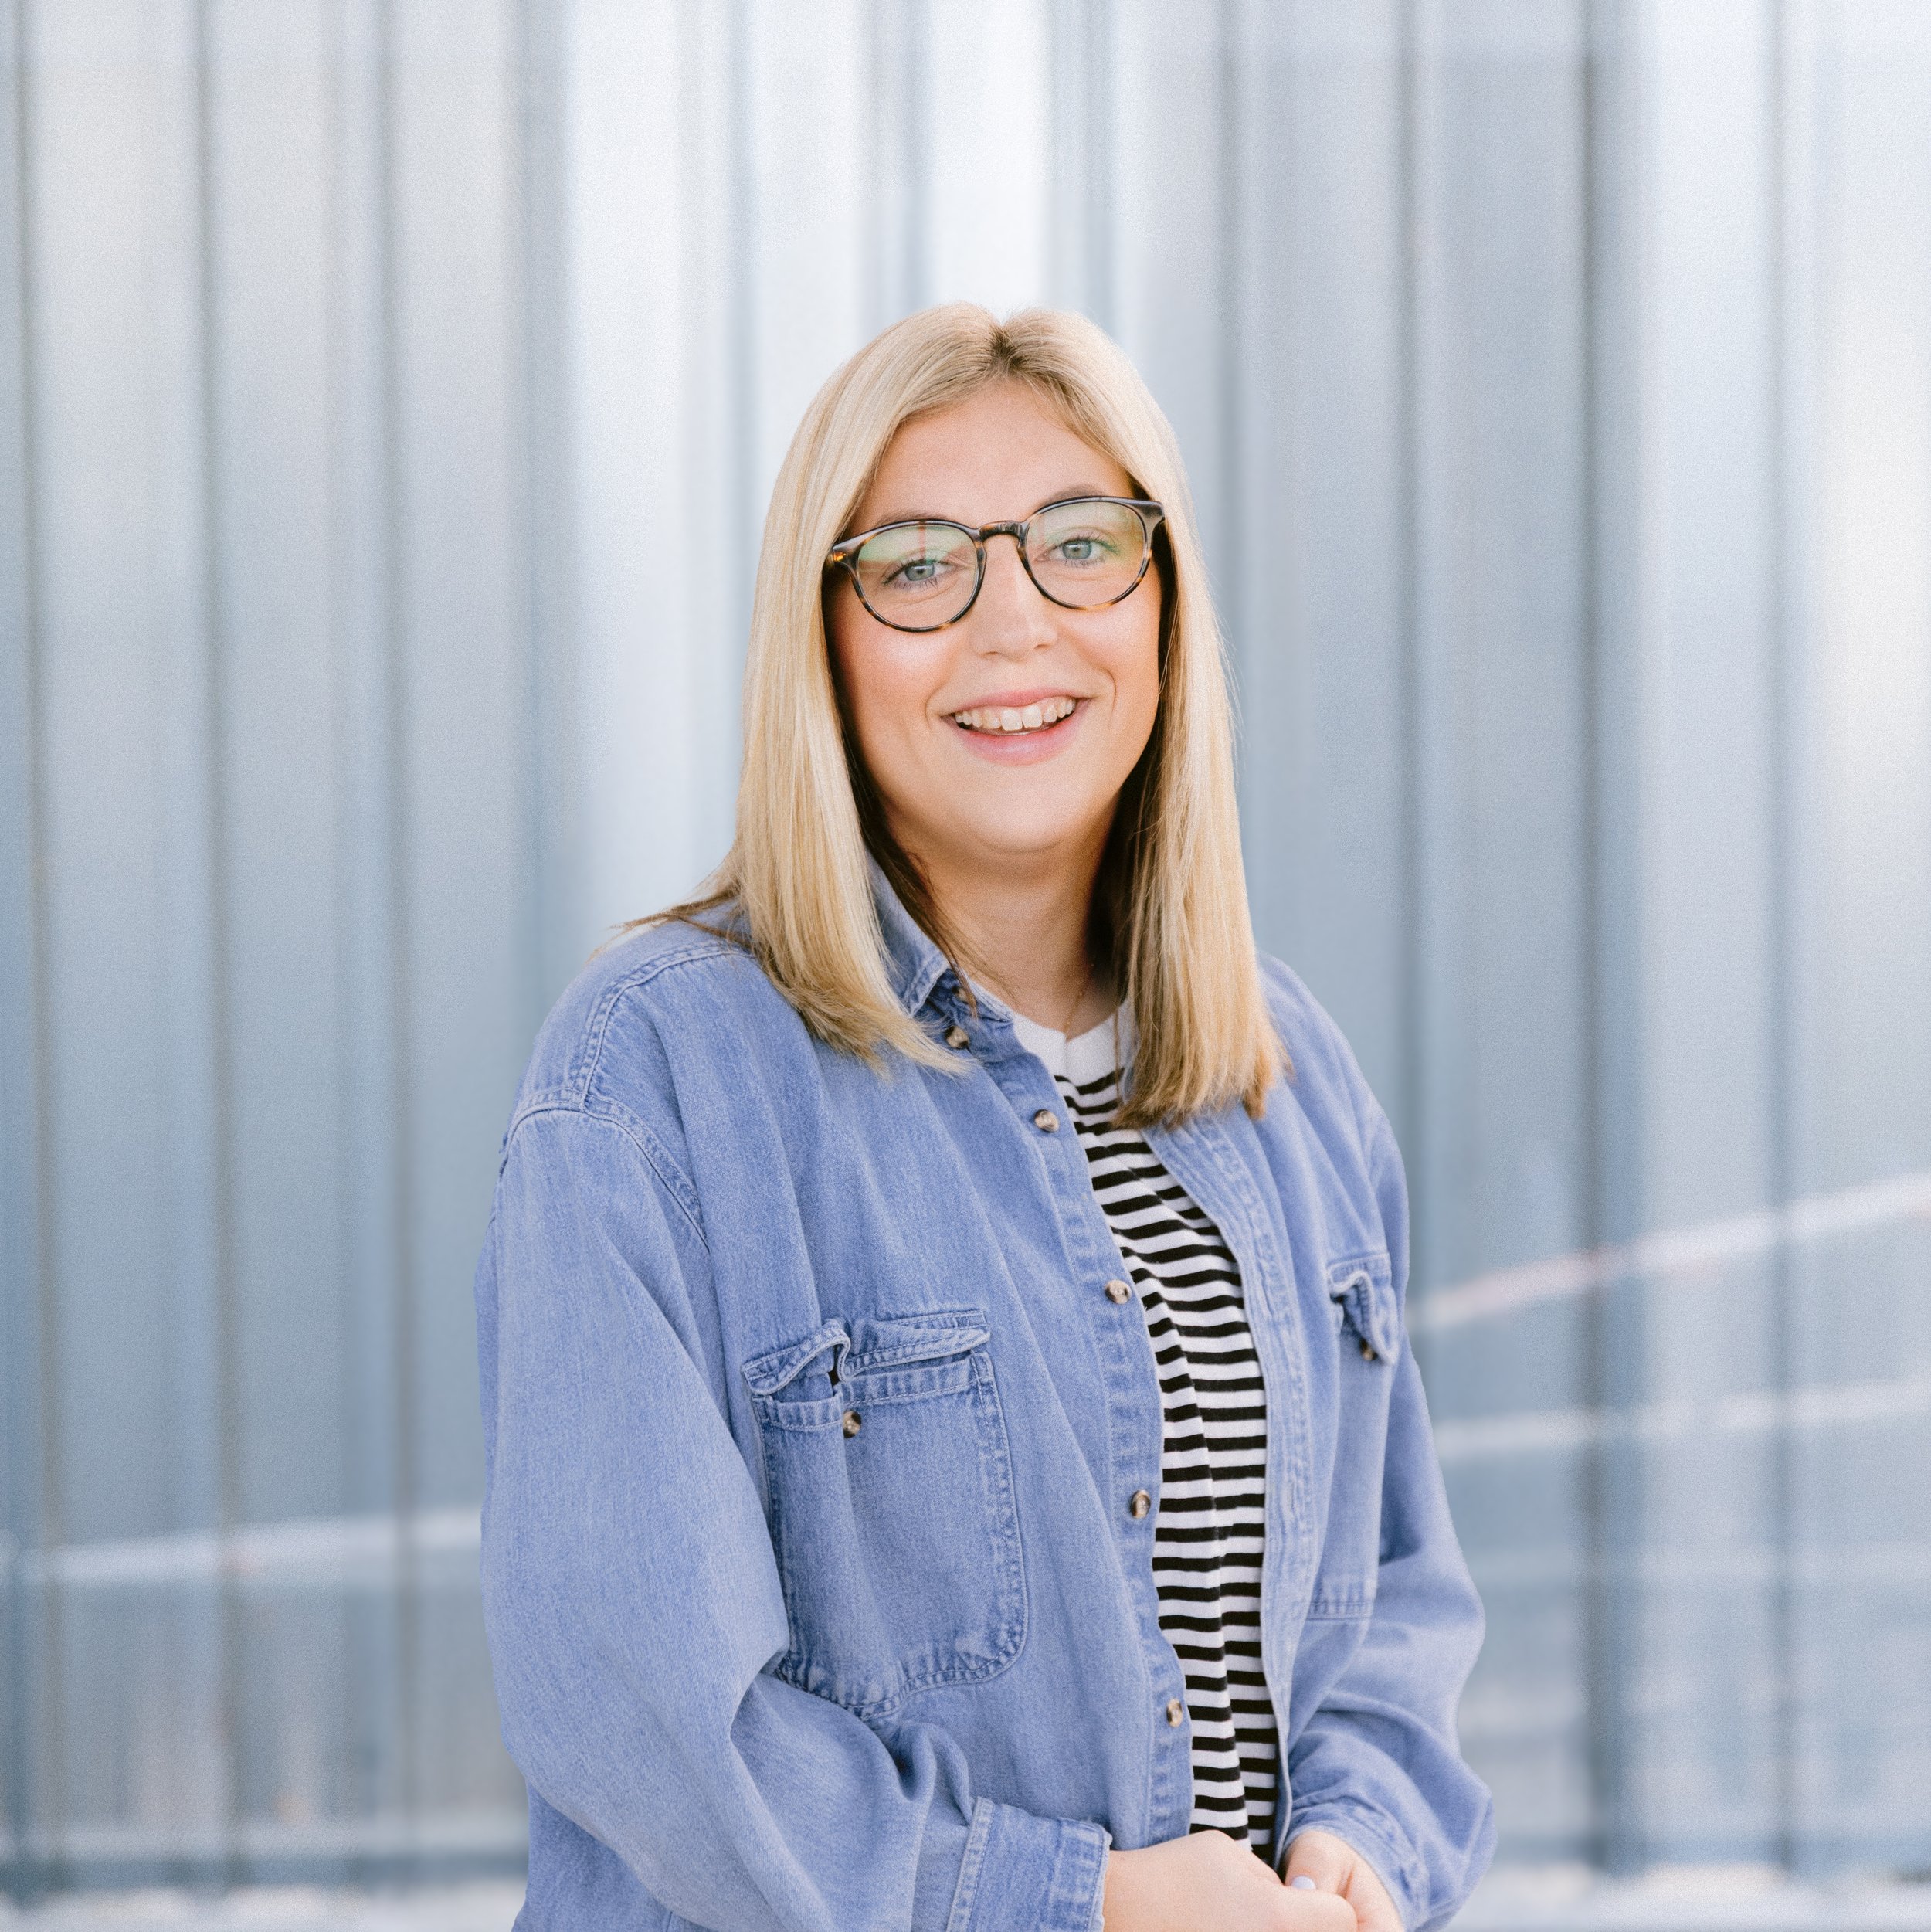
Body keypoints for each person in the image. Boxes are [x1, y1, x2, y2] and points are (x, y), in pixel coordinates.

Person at [473, 304, 1495, 1932]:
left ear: (1161, 609)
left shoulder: (1283, 1074)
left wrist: (1360, 1853)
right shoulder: (650, 1077)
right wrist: (1080, 1902)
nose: (1012, 623)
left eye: (1081, 545)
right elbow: (642, 1715)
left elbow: (1387, 1606)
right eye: (916, 564)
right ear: (821, 637)